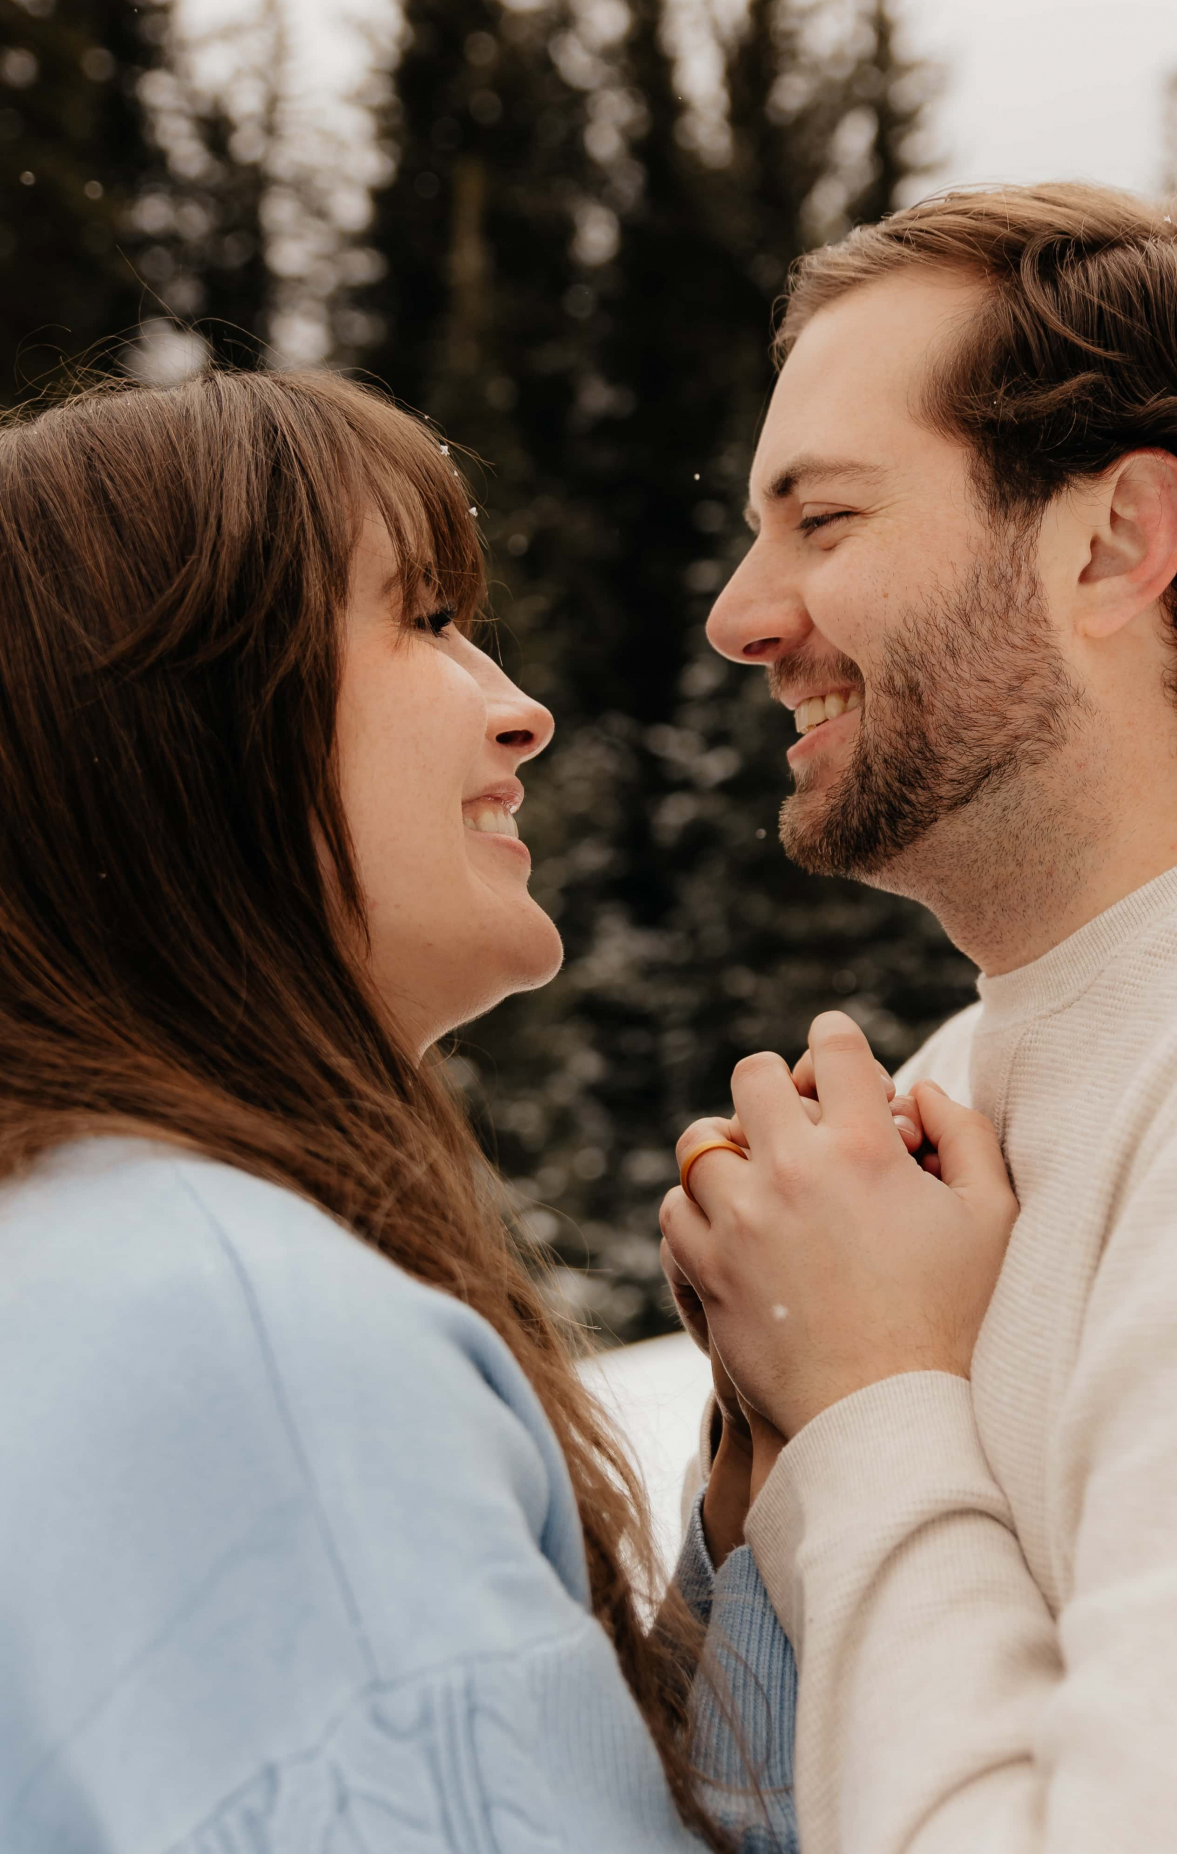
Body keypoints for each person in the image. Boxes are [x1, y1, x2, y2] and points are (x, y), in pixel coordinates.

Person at [0, 370, 797, 1853]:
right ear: (186, 723)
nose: (522, 711)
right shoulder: (238, 1339)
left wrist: (774, 1511)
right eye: (426, 621)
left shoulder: (84, 1256)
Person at [660, 183, 1177, 1854]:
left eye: (821, 523)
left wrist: (872, 1401)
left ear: (1112, 543)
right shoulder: (966, 1084)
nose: (739, 616)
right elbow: (762, 1817)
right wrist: (762, 1487)